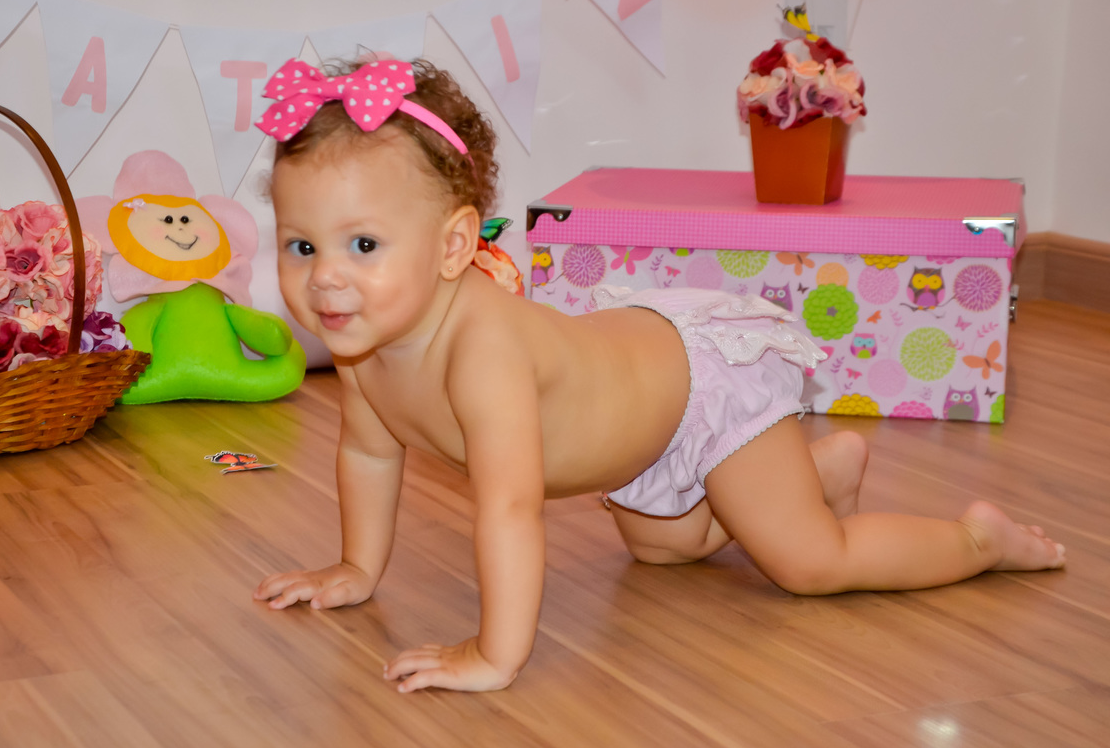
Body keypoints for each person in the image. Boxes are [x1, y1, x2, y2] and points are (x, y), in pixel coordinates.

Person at [251, 57, 1066, 694]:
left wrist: (495, 652)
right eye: (302, 246)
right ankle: (814, 471)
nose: (325, 278)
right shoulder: (362, 348)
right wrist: (358, 567)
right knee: (667, 550)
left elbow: (509, 506)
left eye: (362, 246)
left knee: (809, 563)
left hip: (698, 391)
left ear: (456, 246)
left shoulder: (481, 354)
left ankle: (974, 539)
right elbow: (367, 454)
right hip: (638, 440)